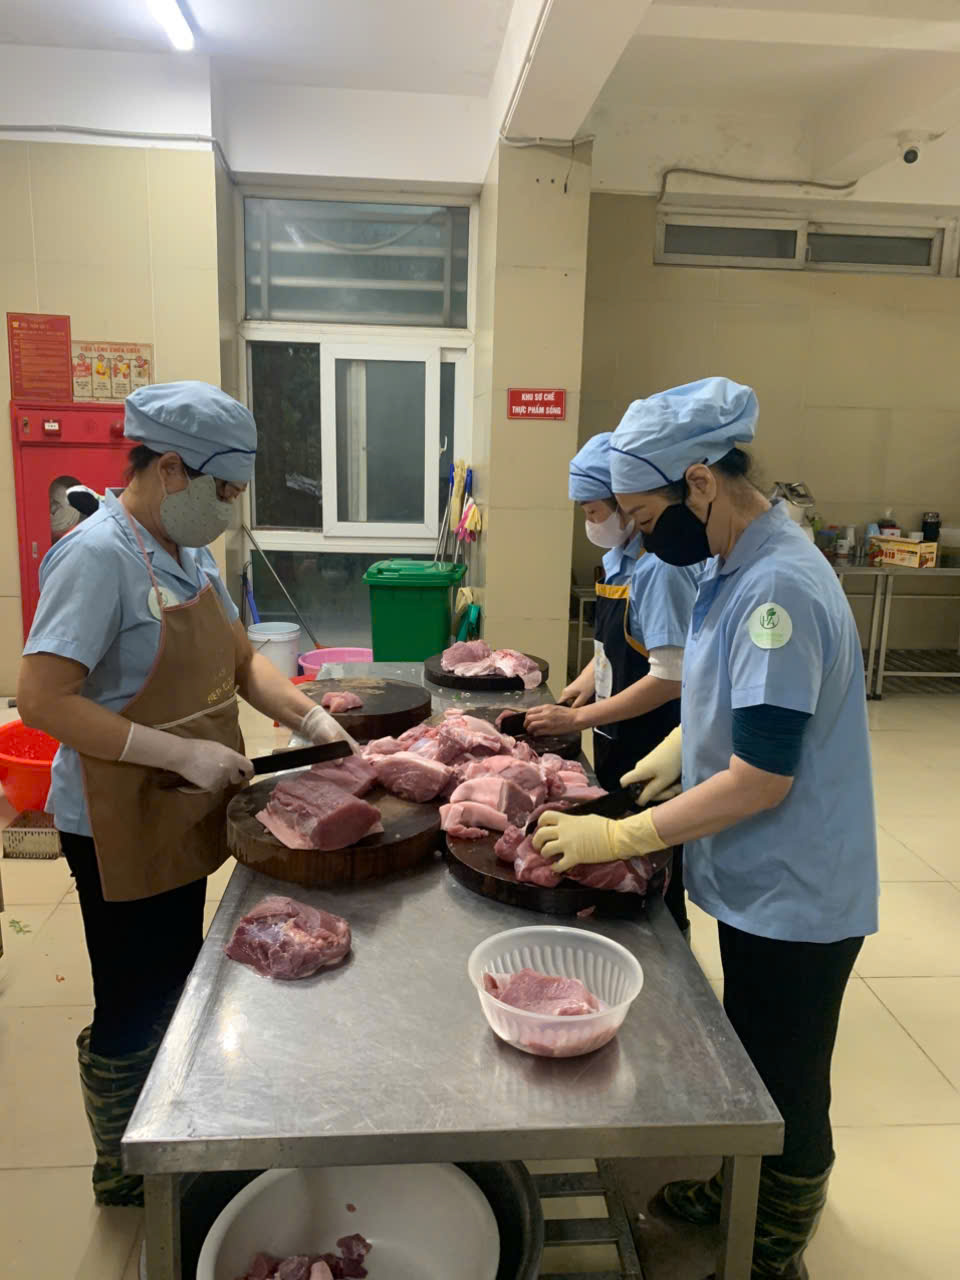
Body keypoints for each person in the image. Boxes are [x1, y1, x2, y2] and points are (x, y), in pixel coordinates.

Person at [532, 378, 878, 1280]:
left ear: (699, 483)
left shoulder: (777, 588)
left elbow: (762, 778)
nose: (644, 537)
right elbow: (740, 699)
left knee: (787, 1073)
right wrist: (682, 747)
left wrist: (622, 838)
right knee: (754, 1052)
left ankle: (775, 1241)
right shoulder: (739, 561)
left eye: (647, 518)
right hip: (763, 871)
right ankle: (739, 1193)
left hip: (799, 883)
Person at [17, 381, 351, 1207]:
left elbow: (243, 663)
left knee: (175, 975)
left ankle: (169, 1130)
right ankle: (123, 1170)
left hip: (177, 801)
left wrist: (311, 720)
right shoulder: (96, 556)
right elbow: (43, 699)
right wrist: (176, 751)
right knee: (133, 994)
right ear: (171, 469)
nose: (230, 509)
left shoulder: (186, 552)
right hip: (114, 817)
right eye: (224, 491)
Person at [524, 432, 697, 932]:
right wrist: (584, 681)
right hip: (616, 731)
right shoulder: (620, 557)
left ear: (626, 506)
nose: (590, 523)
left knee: (656, 865)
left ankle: (669, 946)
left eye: (595, 511)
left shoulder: (660, 569)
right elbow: (620, 641)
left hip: (654, 734)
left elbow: (670, 677)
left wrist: (578, 717)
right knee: (615, 856)